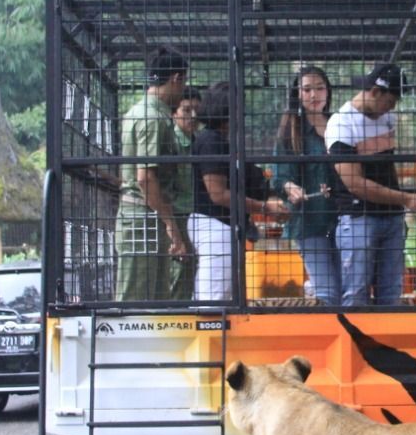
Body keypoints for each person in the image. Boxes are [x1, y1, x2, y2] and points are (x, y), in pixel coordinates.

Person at [325, 62, 416, 306]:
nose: (392, 108)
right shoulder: (341, 124)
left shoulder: (387, 117)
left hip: (391, 218)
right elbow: (355, 184)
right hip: (359, 217)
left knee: (390, 294)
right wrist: (405, 198)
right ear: (375, 92)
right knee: (356, 293)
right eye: (390, 101)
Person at [189, 82, 289, 301]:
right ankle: (209, 334)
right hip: (215, 226)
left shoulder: (223, 142)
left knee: (225, 295)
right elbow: (218, 194)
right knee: (214, 299)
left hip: (225, 227)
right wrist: (264, 207)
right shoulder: (210, 141)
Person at [115, 49, 189, 302]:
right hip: (142, 219)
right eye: (184, 82)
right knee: (136, 300)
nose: (184, 89)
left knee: (156, 298)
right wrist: (171, 224)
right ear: (177, 78)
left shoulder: (140, 111)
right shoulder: (153, 118)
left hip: (146, 216)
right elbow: (145, 177)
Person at [272, 66, 340, 305]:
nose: (314, 95)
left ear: (328, 92)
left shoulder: (339, 124)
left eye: (320, 88)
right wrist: (291, 187)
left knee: (351, 290)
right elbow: (279, 177)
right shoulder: (291, 130)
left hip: (345, 219)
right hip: (310, 221)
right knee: (328, 292)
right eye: (307, 89)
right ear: (298, 94)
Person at [168, 86, 202, 299]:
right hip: (176, 216)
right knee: (179, 273)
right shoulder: (171, 142)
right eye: (187, 110)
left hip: (194, 215)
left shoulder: (197, 142)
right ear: (174, 112)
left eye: (197, 110)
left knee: (191, 274)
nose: (193, 116)